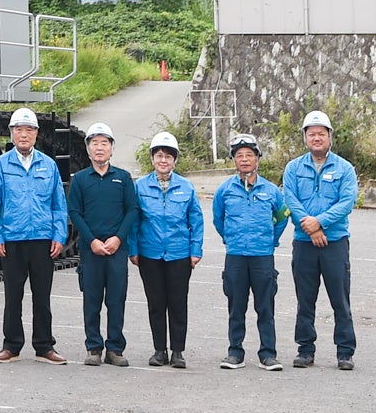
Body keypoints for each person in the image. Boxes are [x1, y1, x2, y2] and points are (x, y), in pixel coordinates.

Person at [0, 106, 70, 365]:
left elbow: (58, 204)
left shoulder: (49, 165)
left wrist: (60, 234)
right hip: (12, 239)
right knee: (13, 296)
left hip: (43, 239)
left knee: (42, 296)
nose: (24, 134)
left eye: (29, 129)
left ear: (36, 134)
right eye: (19, 129)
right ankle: (11, 345)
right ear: (11, 133)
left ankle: (44, 345)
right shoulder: (1, 165)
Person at [282, 109, 360, 371]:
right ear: (305, 138)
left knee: (340, 298)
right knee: (306, 299)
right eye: (311, 134)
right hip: (304, 242)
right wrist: (311, 228)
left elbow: (347, 202)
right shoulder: (293, 168)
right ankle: (305, 350)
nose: (316, 138)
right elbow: (291, 200)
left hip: (335, 242)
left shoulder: (344, 168)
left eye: (321, 134)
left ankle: (345, 351)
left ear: (330, 137)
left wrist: (321, 222)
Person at [211, 133, 289, 372]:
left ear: (257, 158)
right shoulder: (225, 190)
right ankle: (235, 352)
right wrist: (231, 239)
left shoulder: (271, 190)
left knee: (265, 306)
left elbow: (282, 216)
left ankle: (268, 354)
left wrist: (270, 240)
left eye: (249, 155)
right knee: (236, 306)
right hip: (235, 256)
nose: (244, 160)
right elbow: (218, 219)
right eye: (239, 155)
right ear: (233, 160)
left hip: (262, 256)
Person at [67, 120, 139, 367]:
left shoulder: (123, 178)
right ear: (88, 149)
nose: (99, 148)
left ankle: (115, 348)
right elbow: (75, 212)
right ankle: (93, 347)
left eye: (104, 143)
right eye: (95, 143)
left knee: (117, 299)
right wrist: (92, 241)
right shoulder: (80, 179)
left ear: (111, 148)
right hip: (91, 250)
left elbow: (132, 210)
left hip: (117, 250)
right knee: (92, 300)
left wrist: (119, 238)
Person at [132, 131, 203, 369]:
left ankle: (178, 351)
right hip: (150, 253)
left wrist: (196, 250)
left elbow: (196, 220)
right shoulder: (140, 186)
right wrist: (133, 249)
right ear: (152, 158)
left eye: (168, 156)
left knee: (177, 302)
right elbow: (134, 220)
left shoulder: (186, 187)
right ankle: (159, 350)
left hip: (179, 254)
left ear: (175, 160)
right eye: (159, 155)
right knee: (156, 303)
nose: (163, 161)